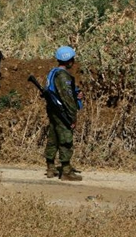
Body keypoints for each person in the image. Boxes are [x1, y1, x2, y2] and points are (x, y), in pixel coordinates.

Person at [44, 45, 84, 181]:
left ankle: (50, 167)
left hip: (54, 111)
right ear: (69, 60)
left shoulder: (54, 73)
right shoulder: (63, 76)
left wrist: (75, 94)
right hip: (62, 113)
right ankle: (66, 171)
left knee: (53, 138)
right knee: (65, 140)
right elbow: (66, 97)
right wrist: (72, 117)